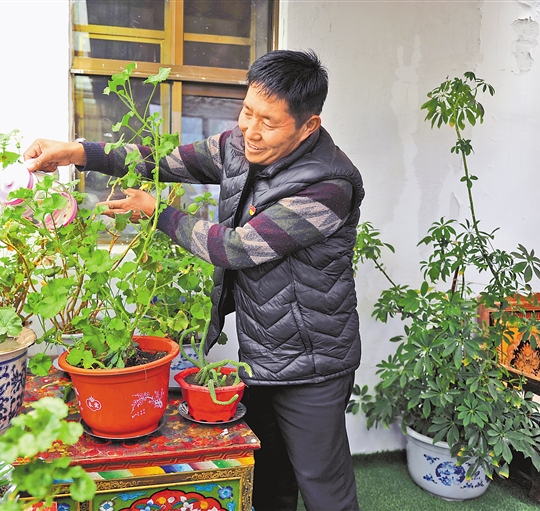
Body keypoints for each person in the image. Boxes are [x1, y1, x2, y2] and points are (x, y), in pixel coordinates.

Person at [23, 49, 364, 511]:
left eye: (268, 122)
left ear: (309, 126)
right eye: (247, 112)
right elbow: (163, 160)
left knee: (323, 487)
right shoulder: (239, 145)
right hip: (263, 350)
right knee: (269, 479)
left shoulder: (328, 185)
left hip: (313, 363)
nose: (251, 130)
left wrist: (159, 214)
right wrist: (77, 153)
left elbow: (237, 248)